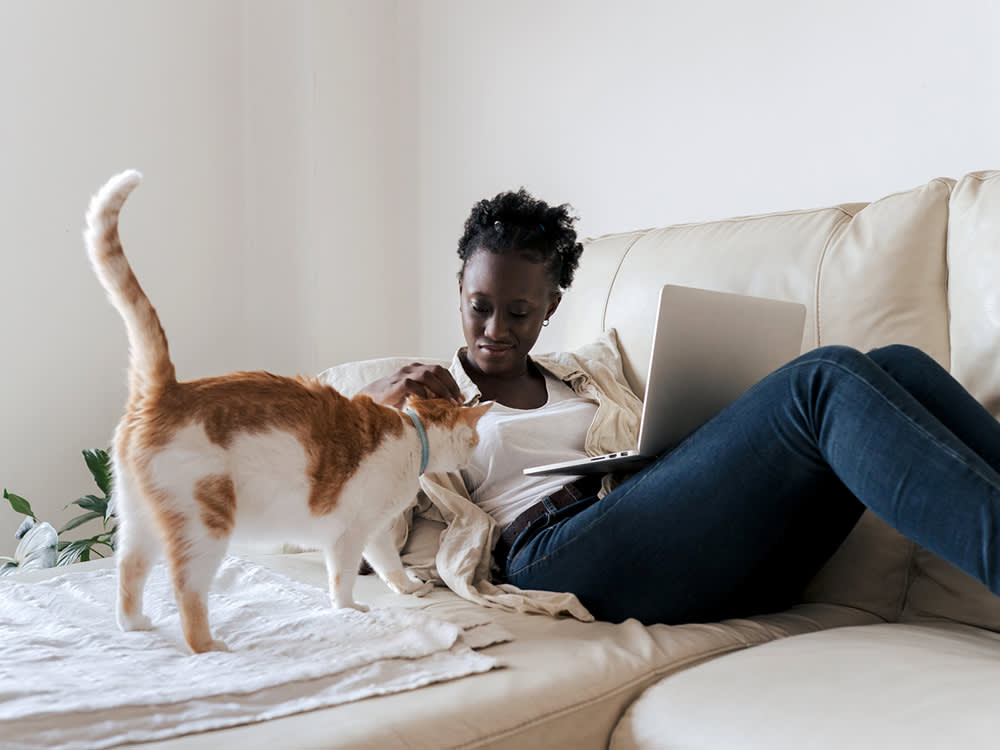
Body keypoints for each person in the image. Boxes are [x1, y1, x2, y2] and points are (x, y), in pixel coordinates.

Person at [360, 187, 1000, 625]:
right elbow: (357, 532)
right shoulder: (425, 405)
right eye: (480, 305)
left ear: (550, 307)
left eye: (519, 311)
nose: (495, 327)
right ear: (461, 293)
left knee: (897, 364)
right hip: (554, 553)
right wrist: (372, 413)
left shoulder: (588, 376)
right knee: (823, 379)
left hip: (667, 530)